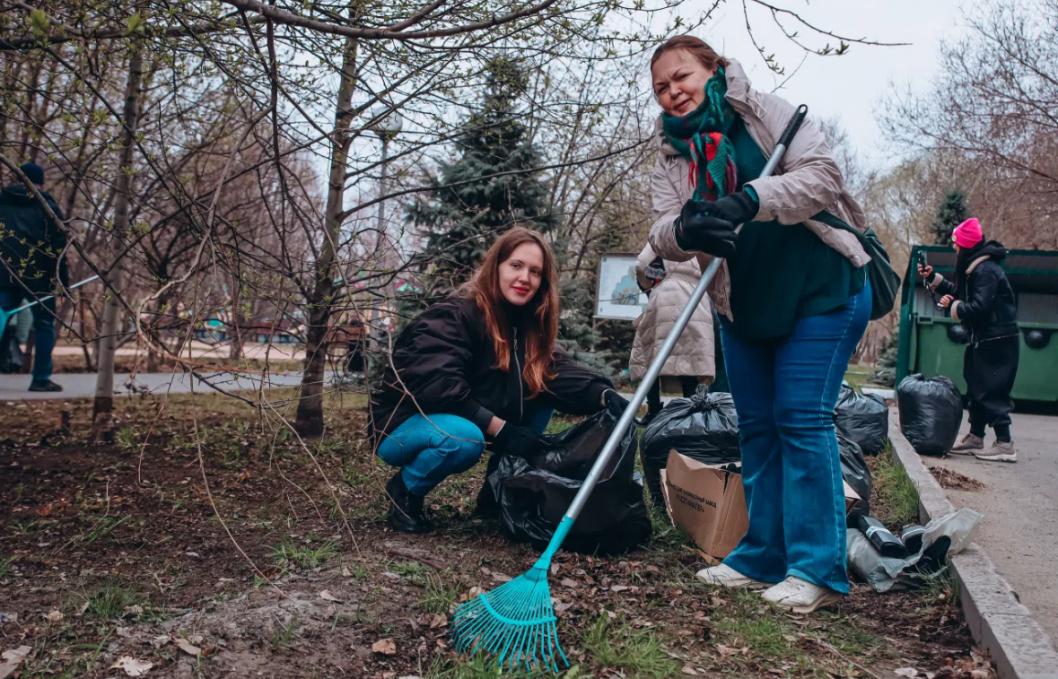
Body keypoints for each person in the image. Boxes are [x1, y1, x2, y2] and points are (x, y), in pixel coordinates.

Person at [646, 36, 873, 613]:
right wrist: (690, 228)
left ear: (713, 69)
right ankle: (761, 554)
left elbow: (823, 176)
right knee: (757, 428)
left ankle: (815, 566)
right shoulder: (671, 154)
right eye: (661, 88)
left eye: (682, 77)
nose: (673, 92)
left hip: (820, 288)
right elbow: (661, 229)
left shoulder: (767, 112)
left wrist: (751, 198)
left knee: (800, 419)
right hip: (741, 302)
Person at [370, 227, 627, 533]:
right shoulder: (455, 315)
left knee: (541, 392)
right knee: (463, 439)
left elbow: (553, 369)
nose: (525, 278)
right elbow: (437, 385)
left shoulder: (524, 324)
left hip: (461, 415)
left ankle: (496, 491)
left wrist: (602, 394)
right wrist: (501, 429)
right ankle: (404, 491)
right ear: (496, 266)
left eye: (535, 272)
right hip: (404, 423)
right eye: (516, 266)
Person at [918, 217, 1019, 463]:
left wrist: (954, 305)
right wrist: (935, 280)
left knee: (992, 390)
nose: (954, 248)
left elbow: (979, 307)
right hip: (984, 338)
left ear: (965, 245)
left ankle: (1005, 444)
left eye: (956, 244)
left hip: (997, 340)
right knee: (977, 386)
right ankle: (976, 436)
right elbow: (962, 294)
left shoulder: (986, 270)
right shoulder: (977, 267)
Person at [0, 162, 68, 392]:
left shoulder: (2, 202)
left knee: (0, 319)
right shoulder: (46, 207)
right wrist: (64, 281)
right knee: (44, 325)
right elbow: (60, 246)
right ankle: (40, 378)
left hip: (4, 275)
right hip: (39, 279)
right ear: (39, 182)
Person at [629, 243, 714, 424]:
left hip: (666, 293)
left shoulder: (667, 230)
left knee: (650, 355)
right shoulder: (704, 235)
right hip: (698, 296)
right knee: (691, 355)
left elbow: (642, 263)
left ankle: (653, 409)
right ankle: (689, 413)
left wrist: (648, 287)